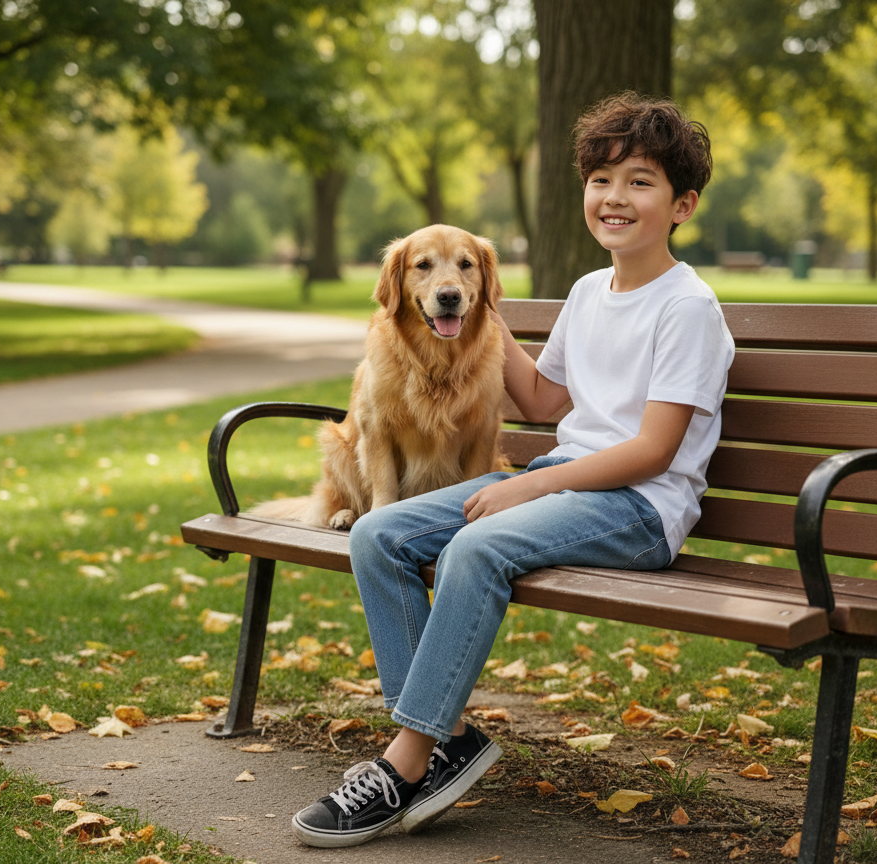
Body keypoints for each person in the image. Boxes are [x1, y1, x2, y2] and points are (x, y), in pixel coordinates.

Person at [291, 91, 735, 849]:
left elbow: (654, 450)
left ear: (682, 205)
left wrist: (528, 483)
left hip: (639, 506)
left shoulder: (686, 307)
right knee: (377, 535)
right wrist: (467, 308)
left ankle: (405, 764)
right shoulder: (591, 292)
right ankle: (450, 739)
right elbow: (542, 397)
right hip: (569, 480)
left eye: (640, 181)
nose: (614, 196)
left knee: (476, 547)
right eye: (600, 179)